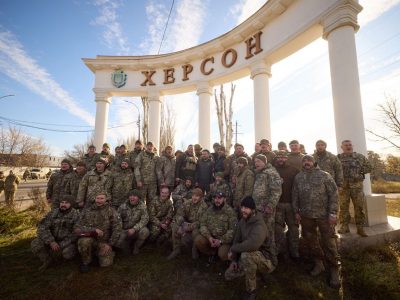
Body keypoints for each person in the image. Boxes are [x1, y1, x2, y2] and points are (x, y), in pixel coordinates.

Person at [292, 155, 340, 288]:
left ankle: (334, 268)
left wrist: (333, 213)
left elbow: (334, 194)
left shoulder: (325, 175)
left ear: (314, 162)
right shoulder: (299, 177)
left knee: (329, 241)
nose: (307, 162)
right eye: (304, 161)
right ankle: (318, 263)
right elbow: (295, 195)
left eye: (309, 161)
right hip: (306, 216)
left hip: (324, 216)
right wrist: (296, 211)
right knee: (311, 240)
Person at [225, 197, 274, 300]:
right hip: (249, 254)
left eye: (246, 207)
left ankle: (252, 290)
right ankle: (253, 271)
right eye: (242, 207)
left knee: (246, 256)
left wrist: (233, 249)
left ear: (253, 209)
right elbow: (236, 239)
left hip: (266, 259)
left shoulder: (259, 225)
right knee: (228, 275)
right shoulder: (243, 220)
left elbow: (252, 245)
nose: (243, 210)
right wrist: (234, 259)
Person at [74, 192, 122, 273]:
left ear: (106, 199)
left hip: (104, 242)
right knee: (84, 241)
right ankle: (86, 262)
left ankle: (103, 254)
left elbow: (117, 228)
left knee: (105, 264)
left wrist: (110, 244)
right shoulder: (87, 210)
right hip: (90, 239)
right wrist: (93, 230)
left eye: (102, 198)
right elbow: (77, 227)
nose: (99, 200)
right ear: (95, 199)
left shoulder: (111, 211)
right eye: (97, 198)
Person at [31, 195, 80, 271]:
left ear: (71, 204)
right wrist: (51, 241)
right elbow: (42, 227)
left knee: (67, 253)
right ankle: (47, 260)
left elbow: (75, 234)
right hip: (52, 240)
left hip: (67, 242)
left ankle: (60, 260)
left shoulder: (76, 215)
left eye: (66, 203)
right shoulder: (53, 213)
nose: (63, 205)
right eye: (62, 202)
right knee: (35, 243)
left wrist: (61, 245)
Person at [252, 154, 282, 267]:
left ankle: (272, 261)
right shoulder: (258, 173)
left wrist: (270, 205)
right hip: (257, 209)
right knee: (260, 233)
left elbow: (276, 191)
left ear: (265, 161)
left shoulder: (271, 173)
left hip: (266, 210)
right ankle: (263, 259)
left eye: (259, 161)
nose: (256, 163)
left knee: (268, 234)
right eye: (255, 162)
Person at [337, 140, 372, 237]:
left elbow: (369, 167)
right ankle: (344, 226)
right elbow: (334, 170)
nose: (348, 147)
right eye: (346, 145)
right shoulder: (338, 158)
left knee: (359, 208)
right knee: (343, 208)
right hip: (344, 188)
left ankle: (360, 228)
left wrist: (359, 172)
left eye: (350, 145)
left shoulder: (360, 157)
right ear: (342, 147)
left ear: (352, 146)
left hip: (357, 187)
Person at [194, 191, 237, 262]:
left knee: (223, 254)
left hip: (223, 241)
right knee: (198, 240)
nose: (217, 200)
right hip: (211, 238)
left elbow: (233, 231)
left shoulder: (230, 212)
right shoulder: (209, 210)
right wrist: (209, 237)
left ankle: (224, 259)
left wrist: (220, 241)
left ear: (224, 199)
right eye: (215, 198)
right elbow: (203, 224)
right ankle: (211, 253)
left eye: (219, 198)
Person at [167, 188, 208, 260]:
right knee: (175, 226)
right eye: (193, 195)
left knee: (196, 232)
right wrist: (180, 225)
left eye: (197, 196)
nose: (194, 198)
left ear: (201, 197)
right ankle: (176, 249)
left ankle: (194, 250)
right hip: (186, 224)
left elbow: (201, 222)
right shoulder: (187, 203)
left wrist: (189, 227)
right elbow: (179, 214)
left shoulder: (204, 206)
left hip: (197, 226)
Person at [274, 151, 300, 260]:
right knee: (278, 230)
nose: (281, 159)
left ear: (287, 158)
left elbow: (299, 188)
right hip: (278, 205)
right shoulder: (272, 170)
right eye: (279, 157)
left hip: (291, 205)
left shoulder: (294, 170)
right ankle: (282, 253)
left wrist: (298, 207)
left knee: (294, 230)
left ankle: (295, 253)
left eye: (283, 157)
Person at [116, 190, 149, 255]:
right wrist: (121, 230)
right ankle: (126, 245)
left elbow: (145, 220)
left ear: (138, 197)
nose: (132, 198)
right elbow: (117, 219)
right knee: (123, 249)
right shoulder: (122, 206)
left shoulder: (143, 206)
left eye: (134, 196)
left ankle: (136, 247)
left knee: (145, 231)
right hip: (124, 229)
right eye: (130, 196)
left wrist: (134, 229)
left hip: (136, 230)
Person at [134, 141, 158, 207]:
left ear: (153, 147)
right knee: (141, 201)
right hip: (143, 183)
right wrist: (138, 180)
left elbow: (158, 170)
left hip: (153, 183)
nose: (150, 147)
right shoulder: (141, 155)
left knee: (151, 201)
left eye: (151, 146)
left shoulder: (156, 157)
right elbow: (136, 168)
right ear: (146, 147)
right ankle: (142, 215)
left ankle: (150, 216)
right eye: (148, 146)